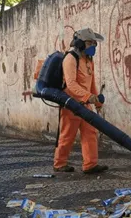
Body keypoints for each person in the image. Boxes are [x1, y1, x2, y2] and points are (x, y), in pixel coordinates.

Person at [53, 27, 109, 174]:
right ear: (80, 43)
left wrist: (97, 102)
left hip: (85, 104)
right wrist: (87, 97)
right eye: (90, 43)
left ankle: (90, 164)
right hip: (71, 104)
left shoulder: (89, 60)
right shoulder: (70, 59)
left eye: (94, 44)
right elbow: (71, 84)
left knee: (90, 132)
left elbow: (92, 84)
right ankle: (59, 163)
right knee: (67, 135)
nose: (94, 46)